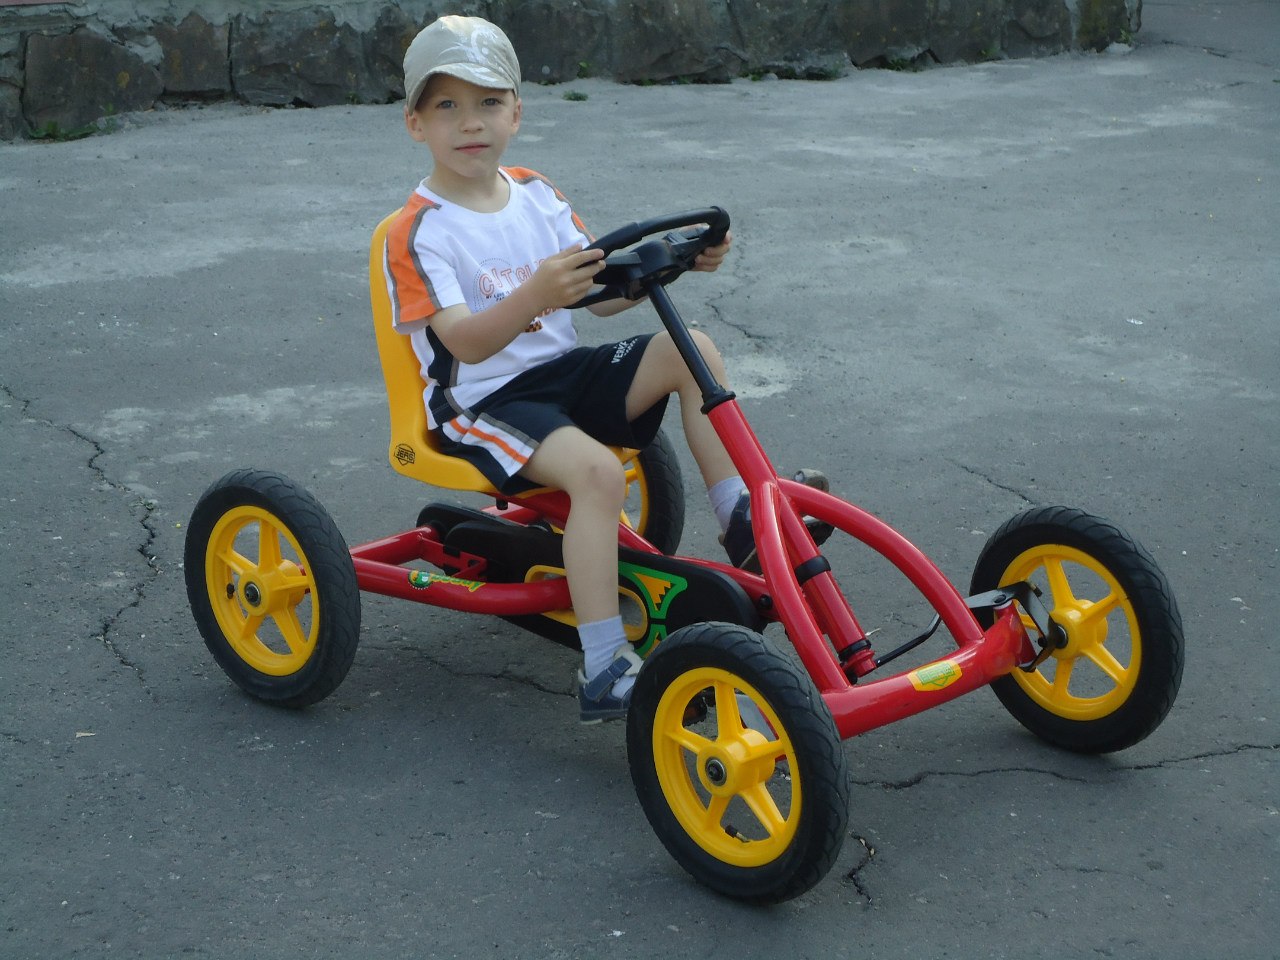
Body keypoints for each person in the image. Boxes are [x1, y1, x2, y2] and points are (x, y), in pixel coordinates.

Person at [383, 15, 822, 722]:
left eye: (489, 102)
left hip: (562, 375)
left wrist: (673, 263)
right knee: (597, 475)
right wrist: (535, 294)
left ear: (516, 112)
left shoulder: (536, 193)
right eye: (447, 106)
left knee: (693, 350)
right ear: (415, 123)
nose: (470, 123)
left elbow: (602, 294)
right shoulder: (417, 231)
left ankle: (740, 516)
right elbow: (464, 344)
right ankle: (604, 663)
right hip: (483, 403)